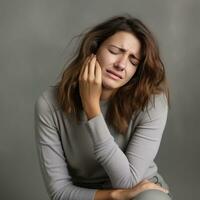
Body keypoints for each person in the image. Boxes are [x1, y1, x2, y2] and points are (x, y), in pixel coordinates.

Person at [34, 14, 173, 200]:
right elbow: (59, 192)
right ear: (94, 48)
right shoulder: (49, 104)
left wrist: (92, 110)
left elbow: (128, 183)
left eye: (133, 61)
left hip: (140, 192)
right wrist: (115, 195)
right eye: (115, 51)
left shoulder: (152, 102)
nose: (121, 65)